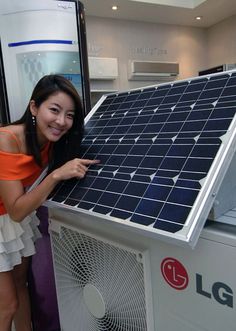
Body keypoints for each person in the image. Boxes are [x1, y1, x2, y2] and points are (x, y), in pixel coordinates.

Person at [0, 74, 99, 331]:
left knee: (22, 287)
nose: (61, 121)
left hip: (14, 217)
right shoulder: (6, 139)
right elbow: (17, 211)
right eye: (54, 110)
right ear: (34, 107)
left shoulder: (53, 141)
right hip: (10, 214)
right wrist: (56, 175)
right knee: (7, 304)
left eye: (70, 114)